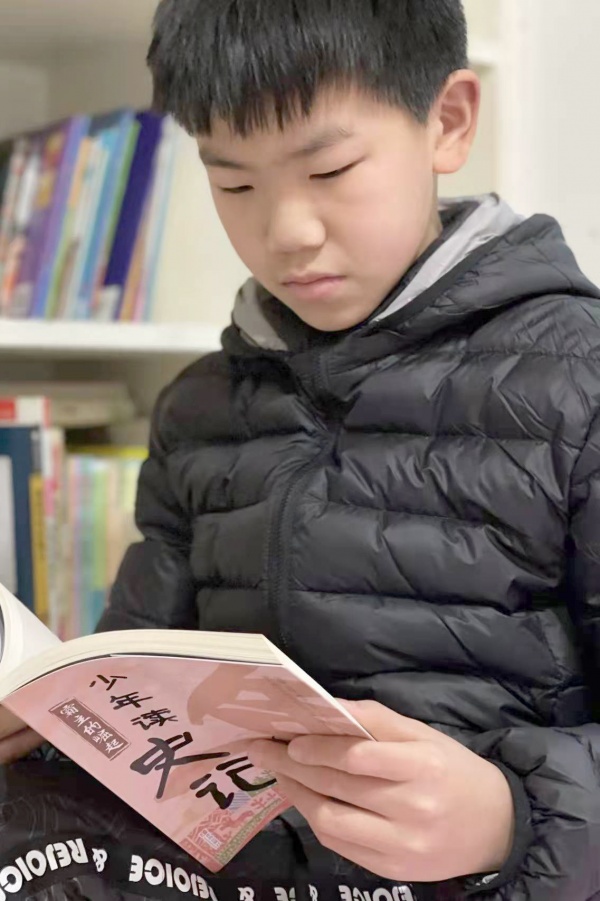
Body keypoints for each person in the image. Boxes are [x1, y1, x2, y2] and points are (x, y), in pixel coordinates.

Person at [4, 0, 600, 897]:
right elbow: (134, 691)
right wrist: (55, 728)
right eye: (234, 185)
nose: (287, 232)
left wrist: (514, 818)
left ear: (447, 121)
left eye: (331, 169)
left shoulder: (580, 379)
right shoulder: (200, 407)